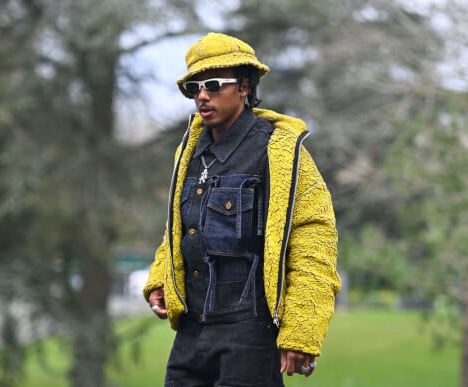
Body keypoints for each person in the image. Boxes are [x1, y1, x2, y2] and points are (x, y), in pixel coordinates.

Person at [143, 32, 341, 387]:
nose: (202, 95)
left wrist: (303, 329)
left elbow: (315, 239)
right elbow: (178, 227)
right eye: (193, 88)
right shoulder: (188, 153)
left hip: (249, 337)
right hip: (191, 333)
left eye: (214, 85)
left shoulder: (280, 153)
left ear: (246, 86)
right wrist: (161, 278)